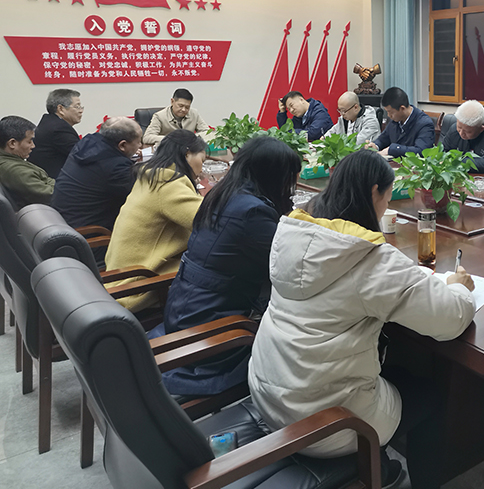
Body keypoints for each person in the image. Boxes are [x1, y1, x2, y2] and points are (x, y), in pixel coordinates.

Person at [248, 149, 476, 489]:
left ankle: (378, 463)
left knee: (396, 371)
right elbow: (450, 320)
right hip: (326, 424)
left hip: (270, 396)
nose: (386, 207)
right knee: (431, 395)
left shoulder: (295, 232)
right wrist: (458, 287)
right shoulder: (369, 257)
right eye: (387, 197)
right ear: (374, 192)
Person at [150, 135, 302, 398]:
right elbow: (289, 263)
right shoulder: (252, 212)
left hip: (184, 309)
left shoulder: (223, 194)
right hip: (214, 328)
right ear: (274, 175)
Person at [105, 130, 206, 313]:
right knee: (220, 269)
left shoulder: (151, 176)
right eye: (202, 160)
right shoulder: (167, 184)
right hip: (137, 288)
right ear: (187, 154)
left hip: (120, 276)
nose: (202, 167)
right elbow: (211, 222)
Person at [52, 117, 142, 232]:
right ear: (122, 145)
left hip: (66, 221)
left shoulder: (86, 144)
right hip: (90, 233)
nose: (140, 145)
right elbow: (142, 194)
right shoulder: (115, 166)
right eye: (138, 142)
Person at [441, 100, 484, 173]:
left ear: (481, 129)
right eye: (459, 127)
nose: (461, 133)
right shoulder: (454, 129)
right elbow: (442, 152)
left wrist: (457, 162)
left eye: (468, 131)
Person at [0, 115, 54, 208]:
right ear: (12, 143)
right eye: (29, 141)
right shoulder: (16, 170)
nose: (33, 146)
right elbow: (51, 195)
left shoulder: (12, 161)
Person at [27, 88, 82, 178]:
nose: (81, 110)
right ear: (61, 109)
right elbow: (83, 155)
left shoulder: (50, 122)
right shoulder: (59, 128)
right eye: (77, 107)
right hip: (53, 182)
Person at [365, 87, 435, 157]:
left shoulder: (424, 124)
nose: (389, 115)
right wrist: (375, 146)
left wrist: (393, 149)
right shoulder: (395, 120)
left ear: (402, 108)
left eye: (391, 112)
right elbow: (383, 139)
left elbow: (421, 151)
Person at [143, 88, 210, 146]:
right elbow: (147, 137)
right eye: (180, 106)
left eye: (187, 107)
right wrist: (171, 139)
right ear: (172, 101)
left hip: (189, 151)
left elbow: (207, 132)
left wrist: (191, 138)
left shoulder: (194, 114)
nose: (183, 110)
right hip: (168, 151)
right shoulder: (159, 116)